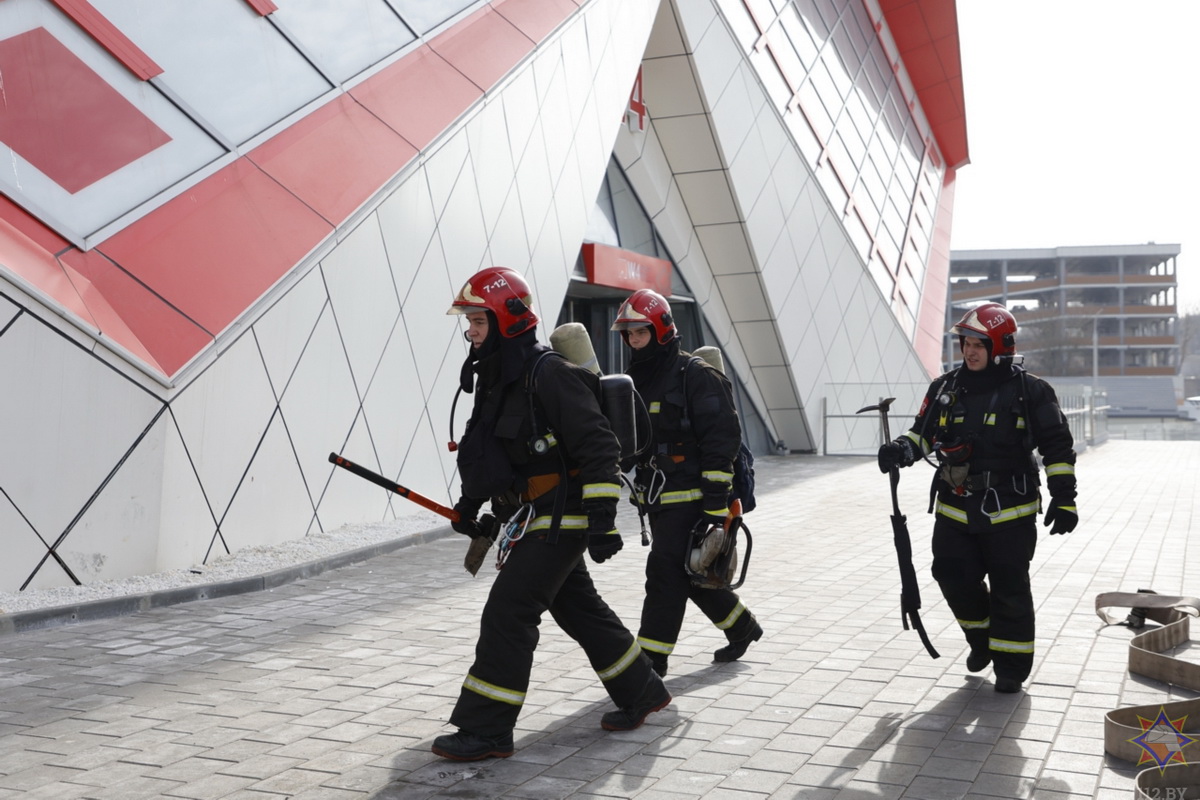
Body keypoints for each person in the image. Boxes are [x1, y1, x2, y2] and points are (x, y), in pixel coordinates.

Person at [433, 267, 670, 762]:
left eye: (478, 320)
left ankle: (487, 729)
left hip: (564, 516)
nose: (470, 332)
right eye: (469, 322)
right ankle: (643, 690)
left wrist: (602, 520)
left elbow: (599, 445)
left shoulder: (549, 373)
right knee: (578, 608)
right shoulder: (497, 378)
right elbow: (484, 452)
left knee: (509, 610)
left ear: (507, 320)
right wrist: (469, 505)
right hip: (530, 516)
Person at [877, 302, 1078, 693]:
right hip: (955, 508)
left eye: (978, 345)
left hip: (1011, 511)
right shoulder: (945, 387)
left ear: (999, 346)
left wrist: (1064, 498)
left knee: (1009, 589)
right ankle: (981, 640)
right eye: (965, 343)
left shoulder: (1032, 391)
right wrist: (901, 449)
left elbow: (1057, 447)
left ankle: (1011, 668)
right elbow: (923, 434)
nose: (969, 351)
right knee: (950, 575)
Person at [612, 289, 762, 678]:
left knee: (664, 574)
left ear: (661, 330)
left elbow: (721, 442)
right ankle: (742, 627)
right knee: (689, 573)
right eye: (629, 334)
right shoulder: (636, 380)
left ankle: (651, 661)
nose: (634, 341)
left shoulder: (695, 375)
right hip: (658, 498)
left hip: (694, 499)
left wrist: (715, 503)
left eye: (641, 332)